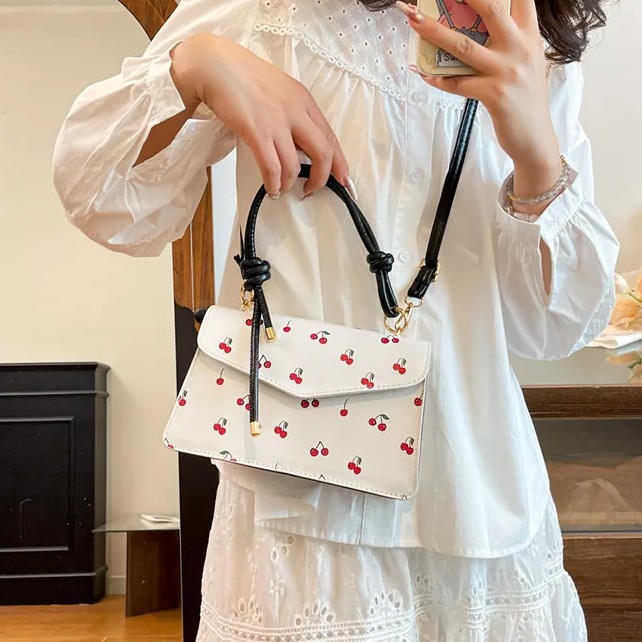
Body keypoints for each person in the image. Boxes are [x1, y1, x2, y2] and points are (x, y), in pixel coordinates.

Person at [53, 0, 620, 639]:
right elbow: (99, 196)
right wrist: (198, 65)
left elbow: (554, 327)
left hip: (479, 507)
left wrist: (537, 155)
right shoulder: (271, 12)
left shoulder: (529, 36)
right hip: (306, 520)